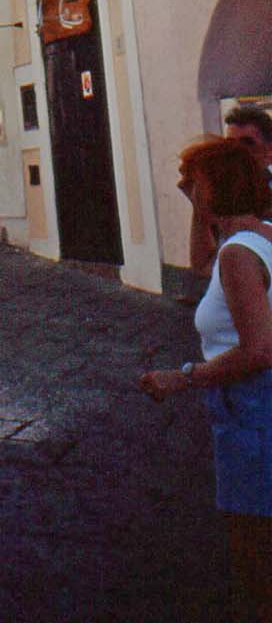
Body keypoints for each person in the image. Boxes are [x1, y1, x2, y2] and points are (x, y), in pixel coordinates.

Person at [140, 137, 272, 621]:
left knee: (255, 549)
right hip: (256, 407)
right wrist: (201, 211)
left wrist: (185, 377)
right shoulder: (258, 237)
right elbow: (202, 264)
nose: (189, 190)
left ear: (213, 185)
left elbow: (260, 350)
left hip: (252, 407)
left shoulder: (239, 255)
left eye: (194, 182)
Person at [189, 106, 272, 276]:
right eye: (230, 145)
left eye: (247, 144)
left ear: (269, 151)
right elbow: (203, 267)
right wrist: (200, 211)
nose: (236, 153)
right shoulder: (225, 196)